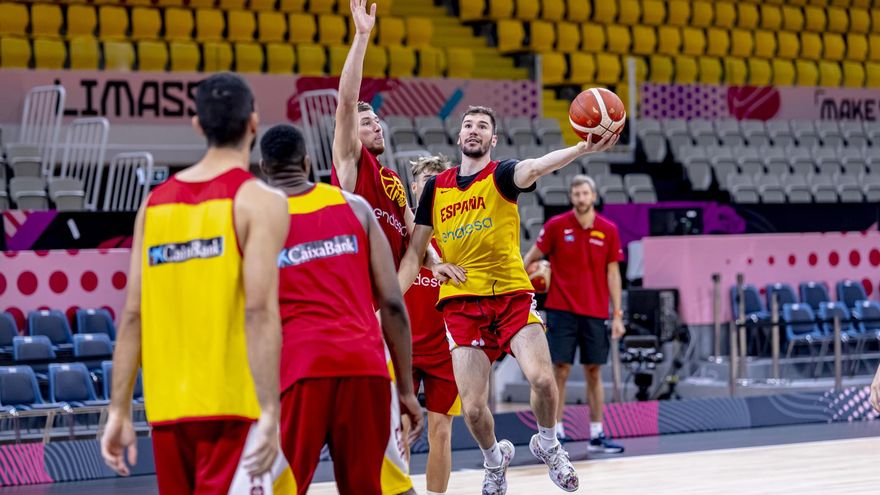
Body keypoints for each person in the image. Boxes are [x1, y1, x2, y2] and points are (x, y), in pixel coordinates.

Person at [398, 105, 618, 494]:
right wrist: (432, 270)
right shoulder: (437, 187)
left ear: (492, 139)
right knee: (474, 409)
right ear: (459, 135)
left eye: (482, 126)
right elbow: (416, 251)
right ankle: (494, 460)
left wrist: (581, 150)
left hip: (511, 295)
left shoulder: (501, 174)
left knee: (543, 380)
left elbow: (537, 166)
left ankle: (549, 444)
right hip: (463, 303)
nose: (473, 130)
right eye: (468, 125)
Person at [101, 73, 289, 494]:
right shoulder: (261, 201)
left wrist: (118, 410)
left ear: (197, 125)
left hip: (168, 410)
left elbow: (132, 314)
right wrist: (271, 409)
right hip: (234, 408)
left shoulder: (154, 203)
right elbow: (259, 311)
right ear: (254, 122)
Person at [331, 2, 455, 493]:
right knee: (374, 432)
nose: (375, 126)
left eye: (377, 122)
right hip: (351, 309)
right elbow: (346, 102)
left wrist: (434, 266)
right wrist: (362, 38)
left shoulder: (394, 183)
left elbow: (414, 244)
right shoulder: (349, 166)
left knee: (399, 431)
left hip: (381, 315)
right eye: (367, 123)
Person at [259, 123, 423, 494]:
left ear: (264, 169)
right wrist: (408, 390)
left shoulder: (257, 218)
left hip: (299, 371)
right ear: (306, 162)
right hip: (366, 366)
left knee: (278, 488)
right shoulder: (355, 207)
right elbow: (393, 305)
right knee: (387, 487)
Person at [522, 174, 626, 454]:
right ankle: (556, 434)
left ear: (594, 197)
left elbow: (613, 274)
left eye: (585, 193)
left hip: (595, 312)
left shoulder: (608, 229)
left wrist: (617, 314)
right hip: (561, 310)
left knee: (594, 372)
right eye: (576, 194)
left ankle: (596, 433)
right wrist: (524, 280)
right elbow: (529, 258)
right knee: (560, 372)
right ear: (571, 197)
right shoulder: (556, 226)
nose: (581, 198)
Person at [404, 156, 461, 495]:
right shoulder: (399, 229)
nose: (431, 186)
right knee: (401, 429)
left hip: (445, 350)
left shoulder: (459, 232)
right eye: (425, 181)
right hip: (403, 346)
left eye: (437, 181)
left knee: (440, 431)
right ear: (414, 188)